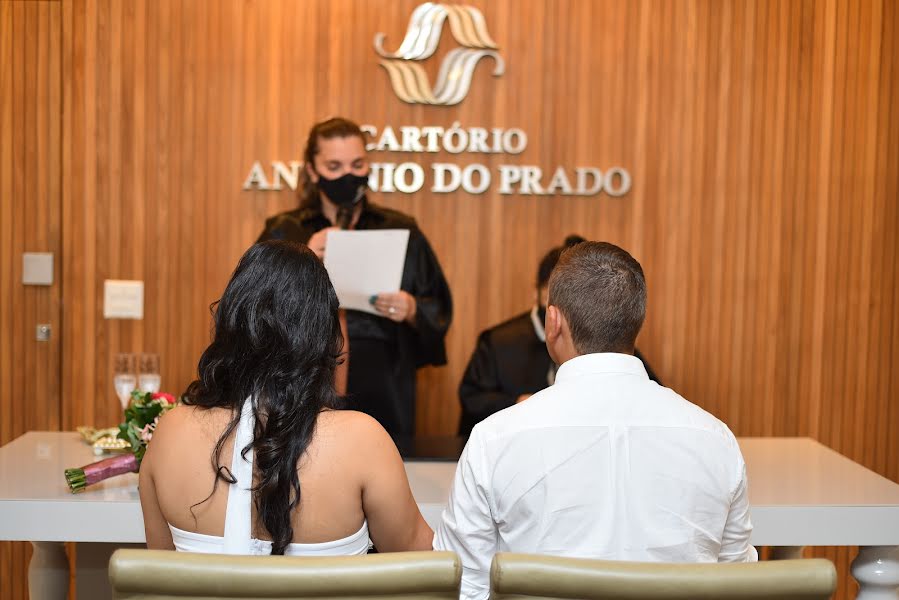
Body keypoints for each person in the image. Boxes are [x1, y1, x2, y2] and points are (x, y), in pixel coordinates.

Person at [435, 241, 757, 599]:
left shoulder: (493, 440)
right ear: (635, 323)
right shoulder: (716, 440)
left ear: (553, 322)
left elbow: (463, 589)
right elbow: (737, 584)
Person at [139, 240, 433, 555]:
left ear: (231, 321)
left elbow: (161, 576)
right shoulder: (363, 440)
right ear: (324, 332)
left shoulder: (170, 433)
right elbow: (425, 567)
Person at [257, 117, 452, 437]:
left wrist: (412, 308)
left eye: (357, 164)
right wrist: (302, 257)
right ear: (312, 171)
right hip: (300, 381)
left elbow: (439, 305)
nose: (348, 175)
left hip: (383, 381)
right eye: (334, 166)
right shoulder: (284, 230)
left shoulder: (401, 228)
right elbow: (254, 306)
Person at [458, 235, 661, 436]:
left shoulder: (606, 338)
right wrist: (517, 403)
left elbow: (647, 396)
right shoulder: (497, 342)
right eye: (554, 292)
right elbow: (472, 398)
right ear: (537, 292)